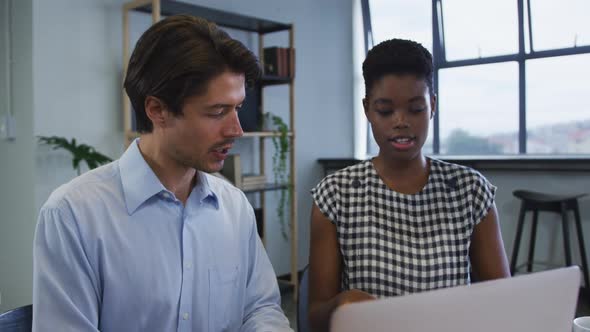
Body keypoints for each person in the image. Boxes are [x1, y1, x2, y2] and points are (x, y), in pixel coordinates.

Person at [33, 15, 292, 331]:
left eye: (237, 108)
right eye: (217, 112)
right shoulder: (74, 215)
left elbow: (260, 308)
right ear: (157, 110)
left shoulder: (234, 206)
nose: (236, 130)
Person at [308, 38, 510, 331]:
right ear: (367, 109)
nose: (401, 122)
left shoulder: (469, 191)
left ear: (433, 106)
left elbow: (503, 303)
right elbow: (314, 318)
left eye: (415, 109)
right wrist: (341, 306)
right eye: (385, 111)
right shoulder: (336, 195)